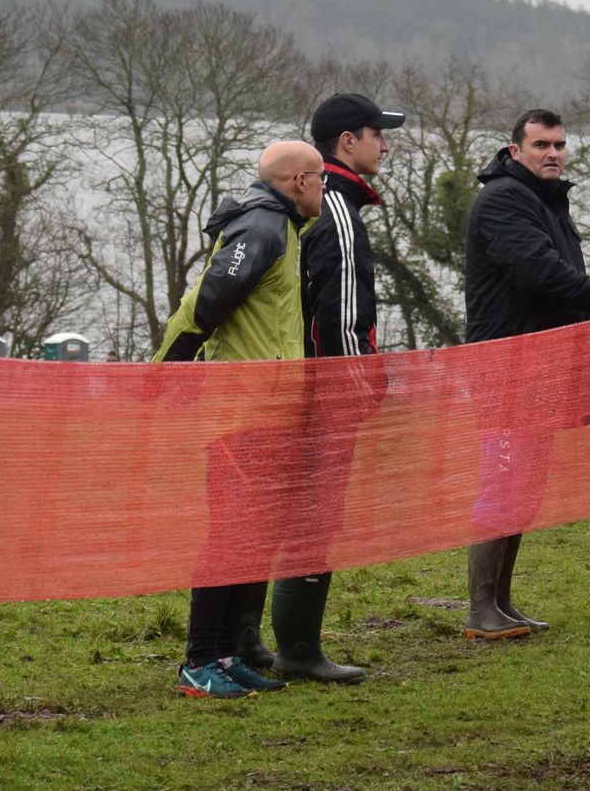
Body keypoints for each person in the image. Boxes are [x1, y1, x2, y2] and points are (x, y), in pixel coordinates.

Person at [461, 109, 590, 638]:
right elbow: (538, 271)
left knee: (525, 483)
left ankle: (502, 602)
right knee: (503, 479)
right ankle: (480, 608)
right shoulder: (503, 199)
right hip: (507, 366)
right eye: (541, 144)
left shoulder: (544, 199)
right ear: (514, 150)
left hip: (543, 366)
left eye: (559, 145)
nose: (553, 153)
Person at [156, 141, 324, 698]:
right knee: (229, 537)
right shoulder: (261, 228)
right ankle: (198, 662)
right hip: (239, 416)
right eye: (320, 178)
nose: (324, 187)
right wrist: (163, 372)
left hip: (271, 414)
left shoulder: (286, 228)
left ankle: (226, 655)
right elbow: (205, 302)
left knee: (251, 538)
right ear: (299, 181)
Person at [271, 92, 407, 686]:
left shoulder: (304, 204)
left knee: (272, 515)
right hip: (321, 395)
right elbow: (345, 317)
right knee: (316, 517)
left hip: (280, 385)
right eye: (378, 134)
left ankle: (248, 643)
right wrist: (360, 393)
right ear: (347, 143)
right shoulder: (338, 212)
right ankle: (299, 650)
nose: (386, 145)